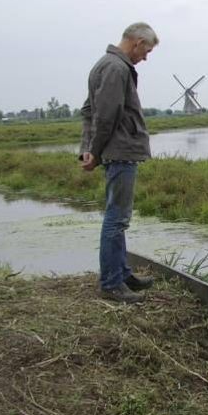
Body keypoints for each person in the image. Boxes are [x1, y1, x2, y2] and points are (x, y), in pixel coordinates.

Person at [79, 22, 159, 303]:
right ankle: (112, 284)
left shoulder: (105, 64)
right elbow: (105, 116)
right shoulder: (116, 67)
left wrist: (87, 149)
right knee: (117, 219)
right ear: (136, 42)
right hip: (121, 151)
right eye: (146, 51)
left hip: (116, 150)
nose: (146, 57)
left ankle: (122, 274)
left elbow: (90, 111)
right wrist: (95, 152)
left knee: (118, 217)